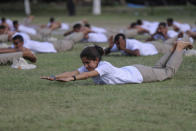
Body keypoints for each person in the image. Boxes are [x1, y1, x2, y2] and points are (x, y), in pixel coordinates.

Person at [40, 41, 192, 85]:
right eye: (84, 64)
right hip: (135, 69)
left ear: (96, 60)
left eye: (87, 63)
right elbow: (74, 72)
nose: (85, 66)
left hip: (139, 74)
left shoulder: (103, 67)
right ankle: (173, 48)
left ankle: (179, 47)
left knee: (168, 72)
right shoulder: (91, 65)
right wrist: (55, 77)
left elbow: (86, 75)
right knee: (158, 68)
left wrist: (71, 80)